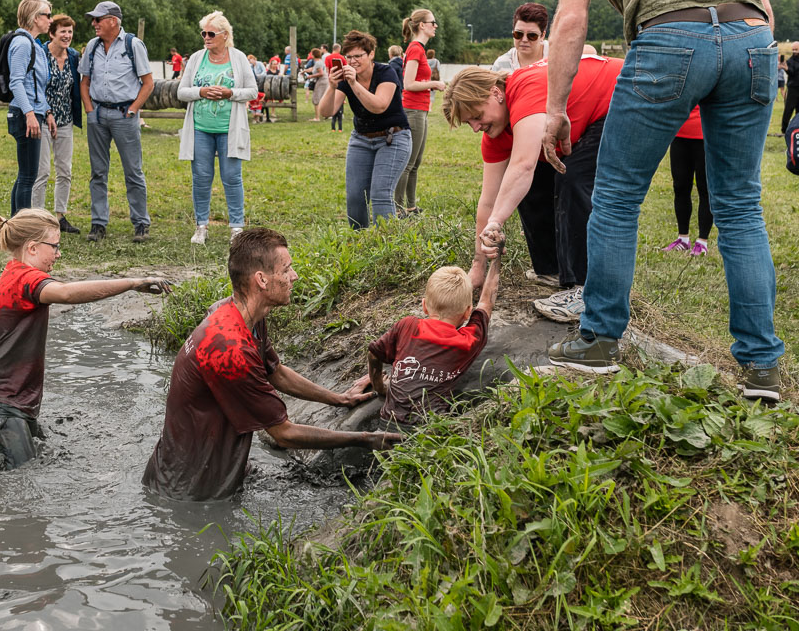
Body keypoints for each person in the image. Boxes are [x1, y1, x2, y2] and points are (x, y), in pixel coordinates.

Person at [541, 0, 782, 399]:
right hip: (751, 41)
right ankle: (762, 367)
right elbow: (763, 4)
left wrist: (555, 107)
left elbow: (572, 18)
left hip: (670, 40)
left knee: (618, 196)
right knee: (741, 205)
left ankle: (600, 340)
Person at [141, 227, 400, 502]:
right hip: (189, 493)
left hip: (206, 471)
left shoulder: (238, 313)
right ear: (262, 280)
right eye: (286, 269)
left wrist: (338, 399)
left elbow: (275, 372)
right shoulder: (230, 349)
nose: (294, 276)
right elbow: (283, 434)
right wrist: (365, 438)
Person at [0, 209, 170, 469]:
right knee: (22, 473)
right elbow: (65, 294)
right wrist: (131, 282)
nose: (58, 253)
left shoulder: (15, 271)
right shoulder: (25, 279)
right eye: (54, 246)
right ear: (32, 248)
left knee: (35, 460)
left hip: (0, 398)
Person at [444, 57, 620, 326]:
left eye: (477, 116)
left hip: (621, 97)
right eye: (470, 123)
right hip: (585, 119)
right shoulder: (496, 133)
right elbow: (489, 199)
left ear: (496, 93)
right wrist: (477, 266)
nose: (477, 127)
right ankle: (553, 269)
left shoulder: (525, 91)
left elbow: (523, 165)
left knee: (573, 178)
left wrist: (495, 224)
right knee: (526, 185)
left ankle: (587, 290)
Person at [365, 258, 506, 429]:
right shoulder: (467, 341)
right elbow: (486, 302)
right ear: (468, 312)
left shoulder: (407, 326)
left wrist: (379, 386)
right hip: (431, 429)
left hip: (387, 424)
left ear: (424, 306)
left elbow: (374, 353)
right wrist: (496, 257)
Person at [316, 30, 411, 229]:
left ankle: (387, 246)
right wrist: (332, 86)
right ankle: (359, 244)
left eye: (358, 56)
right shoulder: (345, 78)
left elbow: (379, 106)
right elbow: (326, 112)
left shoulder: (386, 72)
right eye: (348, 57)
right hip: (361, 139)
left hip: (393, 137)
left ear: (371, 54)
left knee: (380, 193)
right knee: (355, 196)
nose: (353, 61)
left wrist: (353, 83)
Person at [178, 11, 257, 245]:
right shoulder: (196, 59)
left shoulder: (239, 58)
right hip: (200, 127)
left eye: (211, 33)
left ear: (225, 35)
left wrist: (230, 93)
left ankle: (236, 228)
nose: (206, 37)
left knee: (232, 177)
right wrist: (200, 92)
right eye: (204, 33)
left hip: (229, 128)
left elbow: (252, 91)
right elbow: (181, 91)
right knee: (201, 177)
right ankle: (201, 226)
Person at [79, 0, 154, 243]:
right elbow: (84, 82)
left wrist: (133, 109)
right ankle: (98, 223)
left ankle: (141, 223)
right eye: (94, 19)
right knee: (98, 172)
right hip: (98, 115)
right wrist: (90, 111)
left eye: (98, 19)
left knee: (133, 170)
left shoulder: (133, 44)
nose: (94, 24)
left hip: (124, 115)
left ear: (113, 21)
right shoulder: (92, 46)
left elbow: (148, 82)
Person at [33, 14, 83, 234]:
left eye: (70, 31)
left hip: (65, 120)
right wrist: (47, 111)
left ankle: (60, 217)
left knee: (65, 170)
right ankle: (37, 218)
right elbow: (34, 87)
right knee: (42, 170)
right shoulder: (40, 54)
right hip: (42, 118)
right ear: (51, 33)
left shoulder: (73, 56)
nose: (67, 35)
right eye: (63, 31)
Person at [395, 9, 447, 217]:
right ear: (422, 26)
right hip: (413, 110)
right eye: (432, 22)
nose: (435, 26)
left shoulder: (419, 49)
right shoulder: (415, 49)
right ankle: (398, 209)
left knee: (415, 163)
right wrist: (434, 83)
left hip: (421, 110)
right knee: (408, 163)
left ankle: (410, 206)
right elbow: (408, 84)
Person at [7, 0, 53, 215]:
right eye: (47, 15)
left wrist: (47, 112)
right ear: (35, 18)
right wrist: (30, 114)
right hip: (25, 115)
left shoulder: (35, 45)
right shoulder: (23, 43)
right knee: (27, 176)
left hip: (34, 113)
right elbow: (16, 82)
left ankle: (15, 226)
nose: (50, 20)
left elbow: (38, 87)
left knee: (26, 174)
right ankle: (21, 231)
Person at [660, 107, 712, 257]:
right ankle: (683, 238)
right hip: (679, 133)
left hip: (704, 136)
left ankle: (702, 241)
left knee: (705, 188)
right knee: (680, 187)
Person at [492, 3, 551, 73]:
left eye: (532, 35)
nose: (524, 40)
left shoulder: (558, 57)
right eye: (518, 34)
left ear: (542, 36)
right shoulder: (500, 65)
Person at [306, 48, 328, 121]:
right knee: (323, 97)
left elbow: (321, 73)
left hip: (321, 81)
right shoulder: (319, 61)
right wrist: (305, 71)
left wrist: (310, 76)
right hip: (324, 80)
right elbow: (313, 68)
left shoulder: (318, 62)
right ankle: (326, 115)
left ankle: (317, 117)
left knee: (316, 98)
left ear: (313, 55)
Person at [783, 42, 799, 135]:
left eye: (796, 49)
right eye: (793, 49)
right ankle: (784, 130)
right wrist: (787, 69)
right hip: (793, 88)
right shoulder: (790, 61)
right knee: (788, 109)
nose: (794, 51)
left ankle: (797, 128)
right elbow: (791, 72)